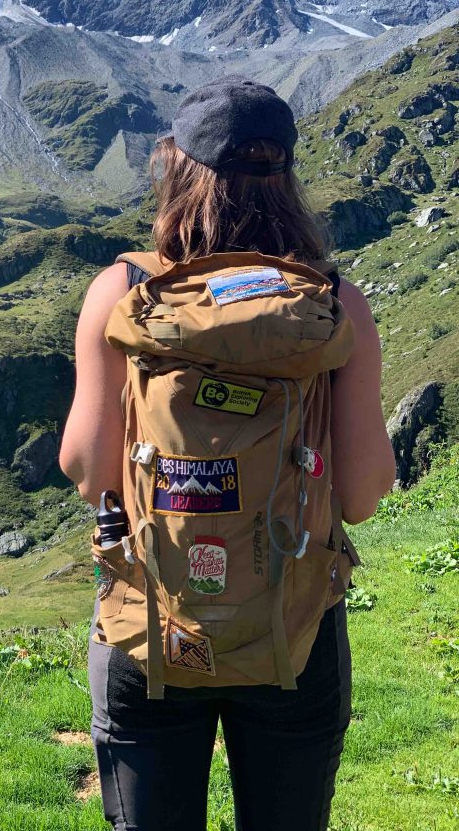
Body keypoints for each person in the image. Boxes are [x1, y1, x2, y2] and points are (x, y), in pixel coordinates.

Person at [59, 76, 396, 831]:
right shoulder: (335, 302)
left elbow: (87, 473)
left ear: (175, 167)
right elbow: (364, 494)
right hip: (293, 622)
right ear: (287, 177)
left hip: (151, 620)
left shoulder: (123, 289)